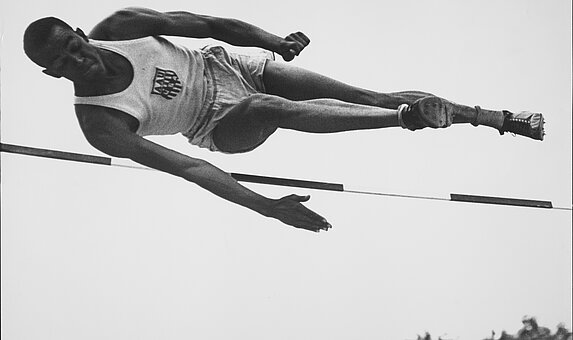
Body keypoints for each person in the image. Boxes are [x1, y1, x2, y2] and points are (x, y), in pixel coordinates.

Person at [23, 7, 545, 233]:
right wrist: (267, 208)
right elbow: (189, 168)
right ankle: (404, 119)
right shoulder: (100, 124)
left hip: (224, 64)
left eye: (74, 46)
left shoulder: (120, 26)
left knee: (367, 94)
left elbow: (205, 22)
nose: (79, 61)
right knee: (270, 109)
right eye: (64, 63)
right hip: (219, 124)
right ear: (52, 74)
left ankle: (499, 118)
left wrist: (270, 42)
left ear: (79, 32)